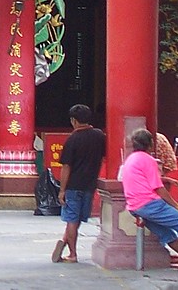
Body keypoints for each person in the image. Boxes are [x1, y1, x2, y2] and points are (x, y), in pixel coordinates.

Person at [121, 129, 178, 272]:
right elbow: (158, 188)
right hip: (149, 203)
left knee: (167, 234)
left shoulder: (131, 159)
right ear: (150, 144)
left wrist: (165, 178)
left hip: (134, 206)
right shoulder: (149, 160)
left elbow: (142, 178)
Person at [53, 104, 106, 264]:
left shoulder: (72, 139)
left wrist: (62, 190)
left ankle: (73, 253)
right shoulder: (99, 136)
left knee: (71, 219)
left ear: (74, 120)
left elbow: (66, 166)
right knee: (77, 219)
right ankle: (65, 240)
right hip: (90, 185)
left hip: (73, 186)